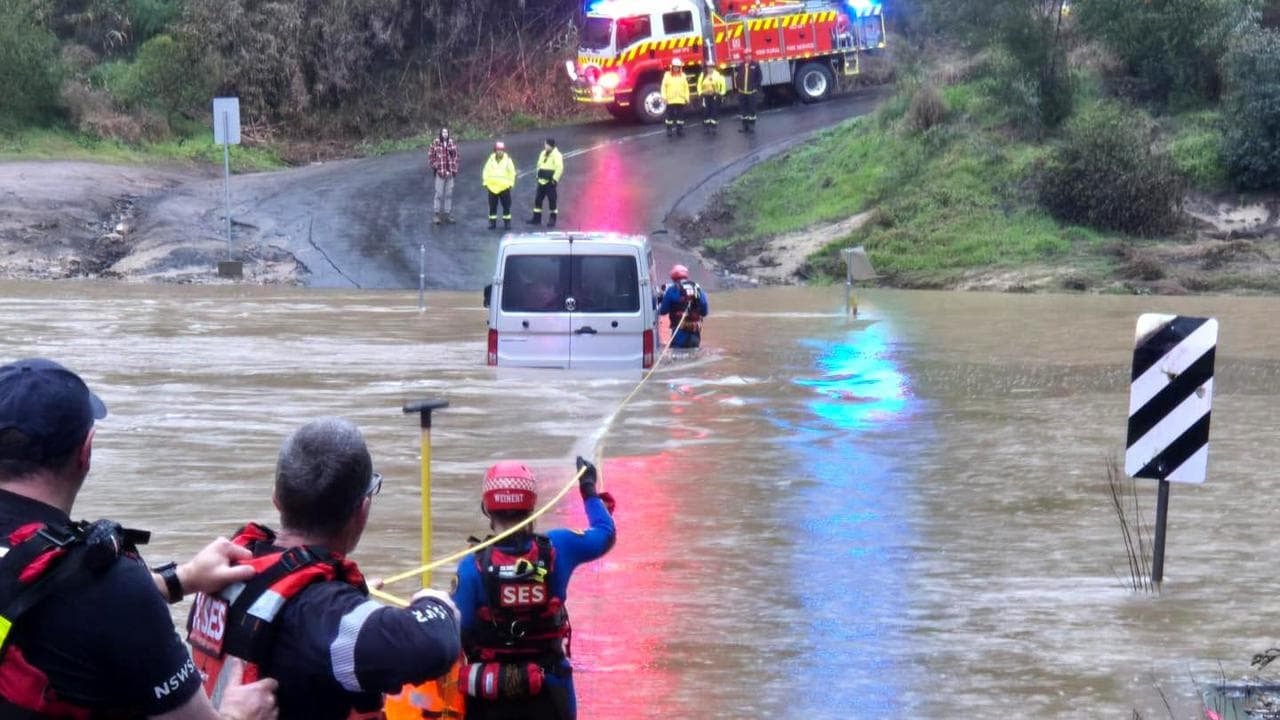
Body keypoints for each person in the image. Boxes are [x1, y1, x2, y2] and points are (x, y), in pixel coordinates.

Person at [0, 357, 278, 720]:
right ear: (87, 449)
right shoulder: (111, 589)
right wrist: (240, 715)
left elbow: (34, 581)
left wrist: (183, 579)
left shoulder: (97, 585)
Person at [187, 418, 463, 720]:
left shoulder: (230, 567)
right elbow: (433, 645)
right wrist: (437, 603)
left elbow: (294, 627)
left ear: (277, 500)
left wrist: (345, 598)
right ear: (363, 508)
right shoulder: (322, 614)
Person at [451, 457, 616, 720]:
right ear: (532, 505)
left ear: (487, 507)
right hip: (552, 693)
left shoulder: (471, 568)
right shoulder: (560, 547)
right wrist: (588, 489)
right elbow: (605, 533)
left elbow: (455, 637)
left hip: (489, 698)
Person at [657, 264, 709, 349]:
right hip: (695, 335)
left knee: (677, 357)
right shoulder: (697, 289)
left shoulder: (671, 290)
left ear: (673, 277)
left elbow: (663, 311)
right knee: (693, 357)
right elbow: (705, 311)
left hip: (679, 334)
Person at [527, 138, 564, 227]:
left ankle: (552, 219)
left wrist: (554, 180)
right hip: (541, 181)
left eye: (546, 145)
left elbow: (559, 168)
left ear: (550, 145)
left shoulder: (557, 155)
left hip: (550, 182)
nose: (545, 146)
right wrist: (537, 175)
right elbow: (539, 165)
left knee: (552, 201)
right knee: (538, 200)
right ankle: (536, 218)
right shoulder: (543, 153)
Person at [428, 127, 460, 225]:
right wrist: (435, 166)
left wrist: (454, 168)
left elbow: (457, 156)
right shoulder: (435, 143)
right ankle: (436, 215)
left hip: (450, 174)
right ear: (440, 133)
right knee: (439, 194)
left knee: (449, 194)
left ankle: (448, 214)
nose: (445, 134)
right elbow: (430, 156)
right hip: (440, 173)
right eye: (443, 132)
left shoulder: (452, 143)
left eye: (446, 132)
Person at [483, 141, 517, 230]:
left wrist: (510, 184)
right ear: (495, 150)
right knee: (492, 207)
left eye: (501, 150)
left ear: (504, 151)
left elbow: (512, 173)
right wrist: (485, 183)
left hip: (504, 188)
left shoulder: (508, 160)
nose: (500, 152)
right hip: (492, 188)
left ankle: (507, 223)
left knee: (506, 206)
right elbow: (485, 171)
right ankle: (492, 223)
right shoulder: (490, 160)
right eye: (498, 150)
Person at [661, 58, 690, 137]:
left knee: (680, 116)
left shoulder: (683, 76)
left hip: (680, 99)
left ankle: (679, 130)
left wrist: (687, 98)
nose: (676, 68)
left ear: (680, 67)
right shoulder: (667, 75)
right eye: (675, 67)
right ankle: (669, 130)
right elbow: (663, 87)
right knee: (669, 116)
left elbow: (686, 88)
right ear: (672, 67)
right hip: (670, 100)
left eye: (677, 67)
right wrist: (664, 97)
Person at [735, 52, 763, 134]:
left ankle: (751, 127)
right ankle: (745, 127)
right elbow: (737, 76)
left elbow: (760, 77)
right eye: (746, 56)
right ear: (744, 57)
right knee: (743, 110)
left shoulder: (755, 65)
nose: (748, 57)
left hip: (751, 92)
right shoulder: (741, 65)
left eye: (749, 55)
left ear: (751, 56)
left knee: (751, 110)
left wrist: (755, 86)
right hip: (742, 92)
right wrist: (738, 86)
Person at [697, 61, 727, 133]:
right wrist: (701, 93)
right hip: (705, 96)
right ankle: (706, 127)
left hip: (715, 96)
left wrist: (721, 93)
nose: (710, 68)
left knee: (714, 110)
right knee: (706, 111)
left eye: (711, 67)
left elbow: (723, 85)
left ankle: (714, 127)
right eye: (708, 67)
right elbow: (699, 85)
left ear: (714, 67)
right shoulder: (703, 75)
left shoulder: (717, 75)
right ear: (706, 67)